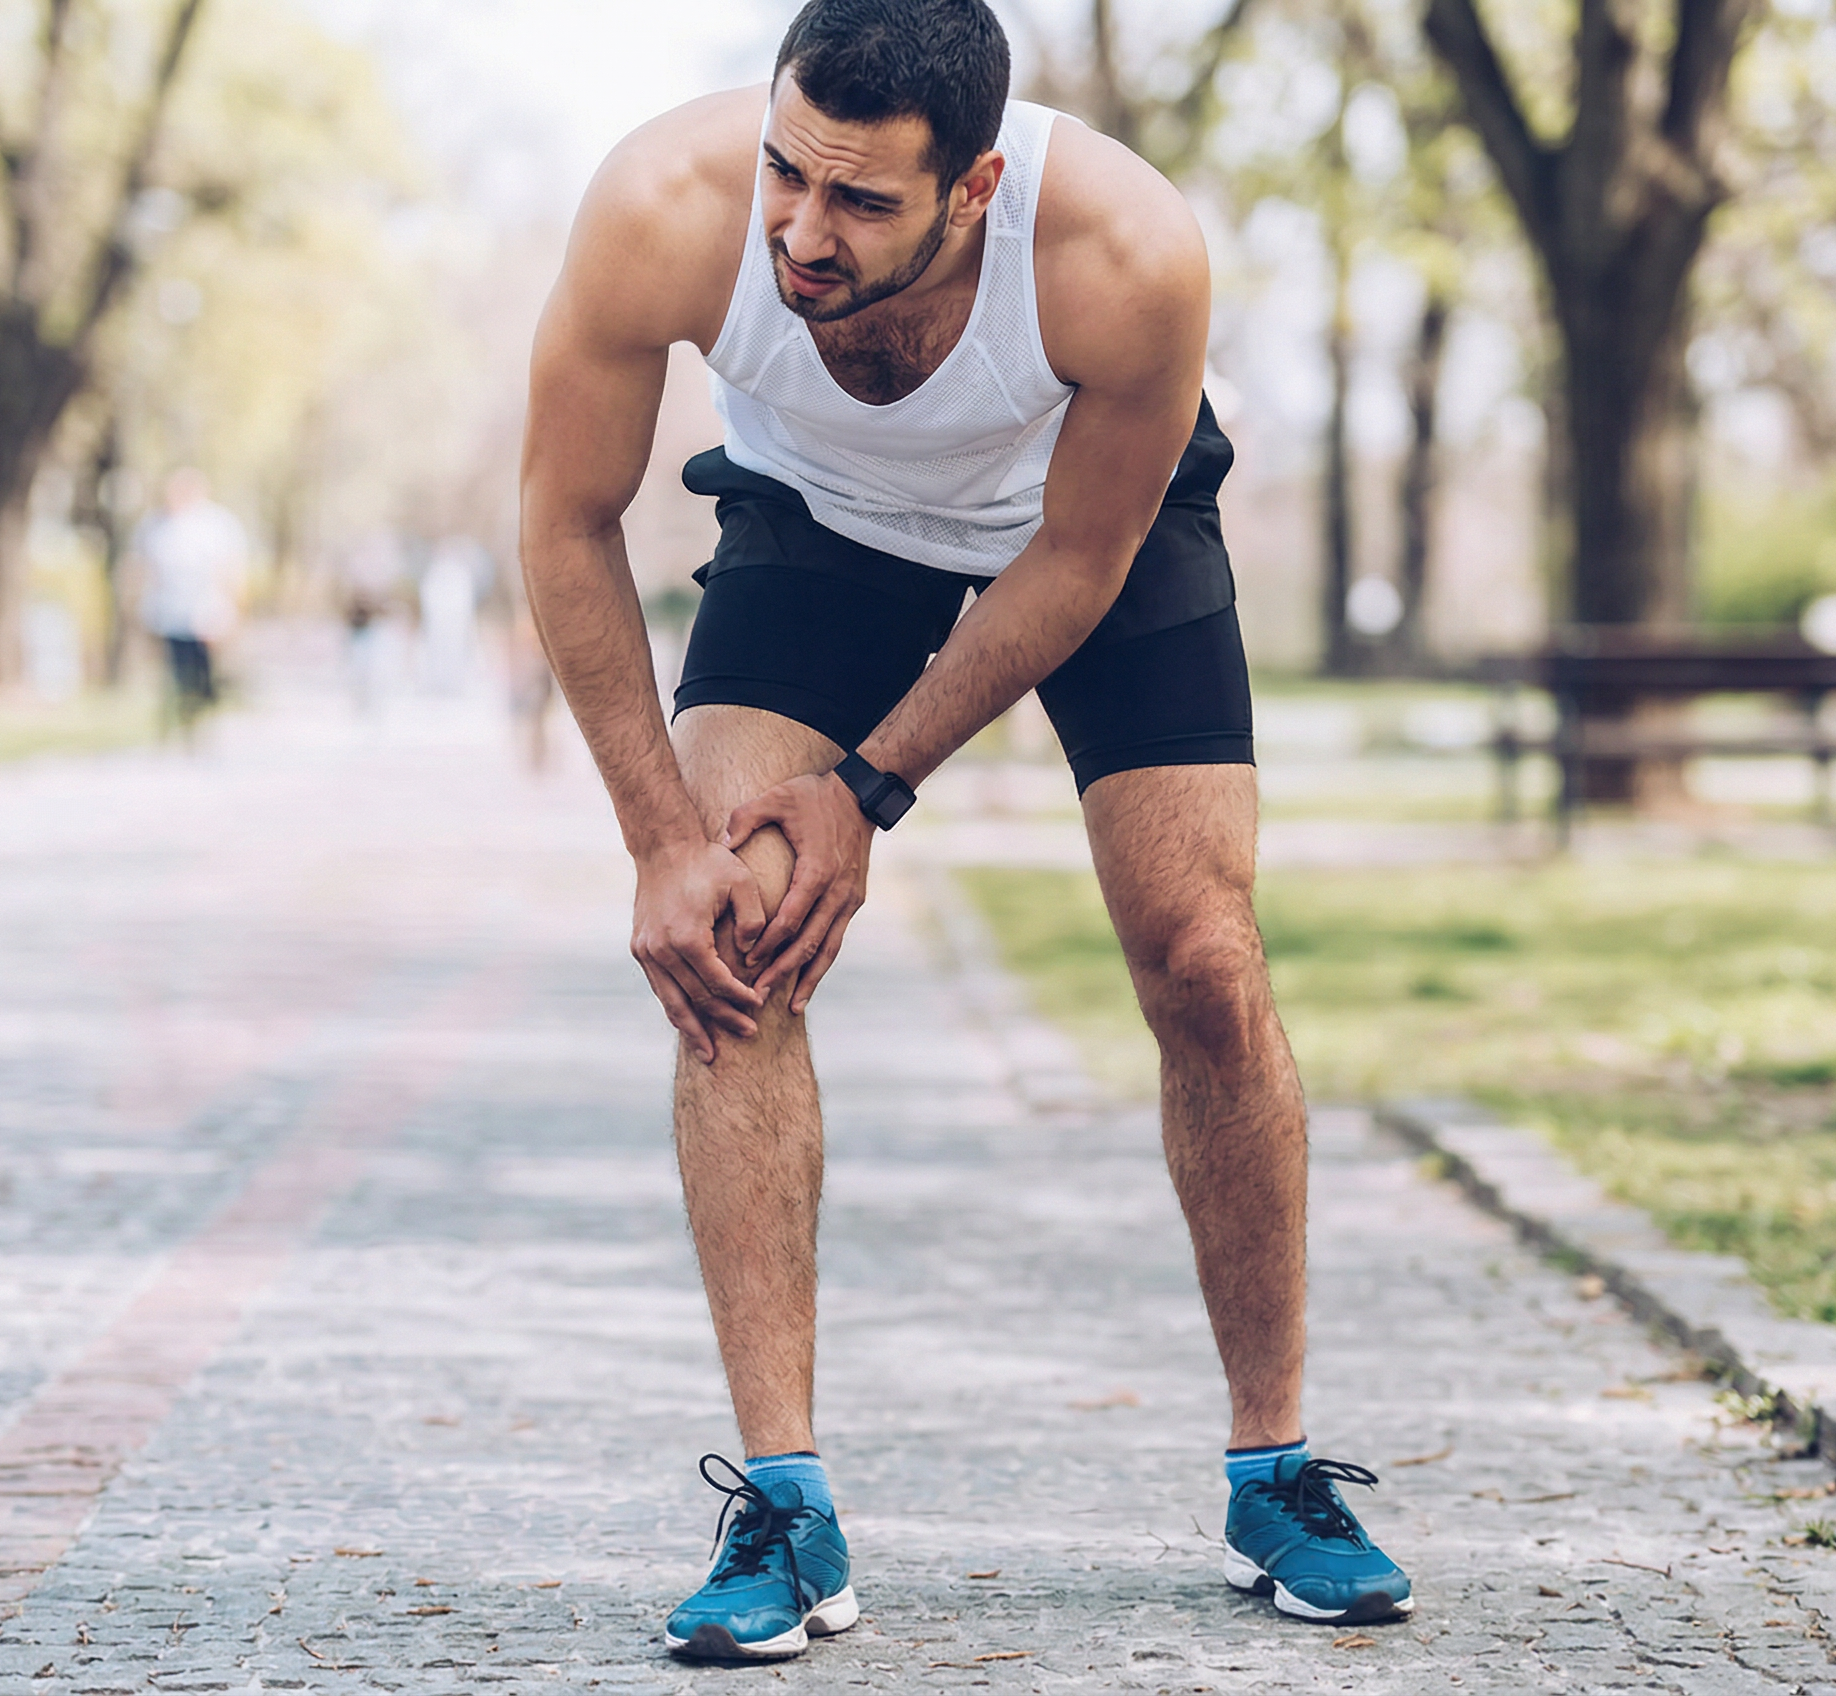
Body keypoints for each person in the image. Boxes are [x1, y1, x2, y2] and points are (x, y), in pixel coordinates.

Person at [518, 0, 1412, 1663]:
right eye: (786, 172)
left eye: (860, 201)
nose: (801, 230)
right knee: (731, 934)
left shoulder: (1124, 252)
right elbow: (563, 519)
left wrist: (869, 788)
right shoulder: (660, 208)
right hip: (817, 521)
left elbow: (1075, 561)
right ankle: (784, 1509)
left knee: (1202, 954)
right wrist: (658, 839)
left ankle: (1276, 1472)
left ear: (976, 187)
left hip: (1084, 530)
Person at [133, 469, 249, 734]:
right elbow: (144, 569)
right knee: (174, 671)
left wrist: (232, 613)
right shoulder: (155, 526)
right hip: (167, 614)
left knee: (202, 671)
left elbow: (230, 570)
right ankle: (179, 720)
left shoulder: (217, 524)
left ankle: (201, 713)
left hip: (206, 613)